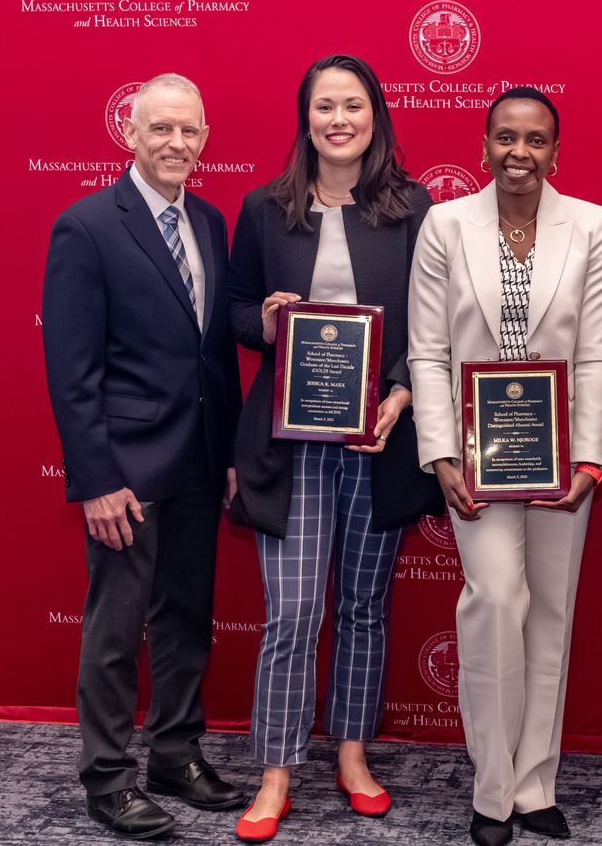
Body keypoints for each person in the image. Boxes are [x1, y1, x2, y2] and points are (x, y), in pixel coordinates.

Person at [225, 54, 441, 842]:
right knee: (290, 612)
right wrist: (270, 322)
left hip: (378, 437)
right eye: (324, 106)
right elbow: (236, 313)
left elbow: (434, 322)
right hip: (289, 443)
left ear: (376, 116)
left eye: (353, 105)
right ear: (305, 118)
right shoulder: (262, 208)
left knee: (362, 607)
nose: (338, 120)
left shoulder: (413, 206)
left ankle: (352, 754)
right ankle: (276, 770)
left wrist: (404, 393)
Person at [408, 87, 602, 846]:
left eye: (535, 140)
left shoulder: (592, 224)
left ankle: (536, 786)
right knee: (496, 603)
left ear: (556, 152)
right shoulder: (444, 224)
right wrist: (439, 452)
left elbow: (597, 350)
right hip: (477, 458)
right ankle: (491, 791)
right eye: (505, 137)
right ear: (484, 145)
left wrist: (592, 455)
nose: (518, 153)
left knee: (551, 619)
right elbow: (428, 350)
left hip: (563, 457)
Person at [42, 73, 245, 839]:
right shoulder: (87, 225)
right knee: (116, 629)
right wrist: (95, 480)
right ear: (129, 133)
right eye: (161, 129)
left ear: (204, 138)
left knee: (187, 620)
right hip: (125, 471)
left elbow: (214, 355)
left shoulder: (211, 221)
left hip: (196, 462)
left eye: (190, 130)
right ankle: (105, 778)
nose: (176, 143)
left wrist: (225, 452)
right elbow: (72, 371)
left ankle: (175, 754)